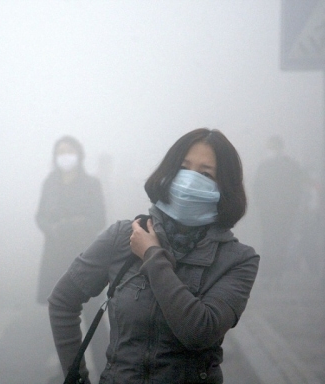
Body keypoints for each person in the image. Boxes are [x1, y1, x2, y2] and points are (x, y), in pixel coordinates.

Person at [49, 128, 260, 384]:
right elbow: (62, 301)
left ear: (223, 187)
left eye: (206, 174)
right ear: (169, 173)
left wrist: (152, 255)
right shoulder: (124, 236)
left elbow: (199, 332)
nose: (190, 181)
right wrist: (76, 379)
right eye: (184, 168)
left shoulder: (238, 260)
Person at [35, 135, 108, 379]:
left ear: (79, 154)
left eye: (69, 150)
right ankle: (71, 371)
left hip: (85, 257)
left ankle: (106, 367)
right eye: (60, 151)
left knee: (93, 319)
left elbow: (100, 218)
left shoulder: (91, 183)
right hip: (55, 257)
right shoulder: (50, 183)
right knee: (62, 319)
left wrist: (79, 223)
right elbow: (40, 216)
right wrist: (53, 228)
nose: (65, 156)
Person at [253, 135, 303, 284]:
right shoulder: (291, 165)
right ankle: (275, 272)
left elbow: (257, 188)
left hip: (272, 210)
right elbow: (297, 189)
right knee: (279, 240)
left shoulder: (266, 166)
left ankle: (271, 272)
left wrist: (261, 204)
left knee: (271, 239)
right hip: (280, 210)